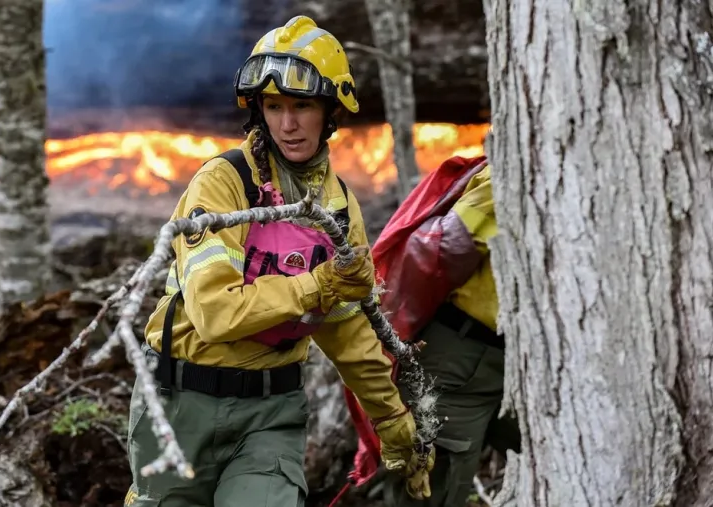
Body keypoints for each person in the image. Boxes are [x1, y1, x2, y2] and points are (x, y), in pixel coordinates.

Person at [123, 15, 432, 507]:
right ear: (258, 111)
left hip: (271, 413)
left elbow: (348, 331)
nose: (287, 124)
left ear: (331, 110)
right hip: (181, 405)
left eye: (302, 106)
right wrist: (321, 284)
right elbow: (215, 314)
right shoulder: (222, 185)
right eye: (274, 106)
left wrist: (394, 424)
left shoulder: (338, 209)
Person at [341, 150, 522, 507]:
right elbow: (445, 249)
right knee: (431, 489)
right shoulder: (508, 173)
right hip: (459, 363)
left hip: (524, 366)